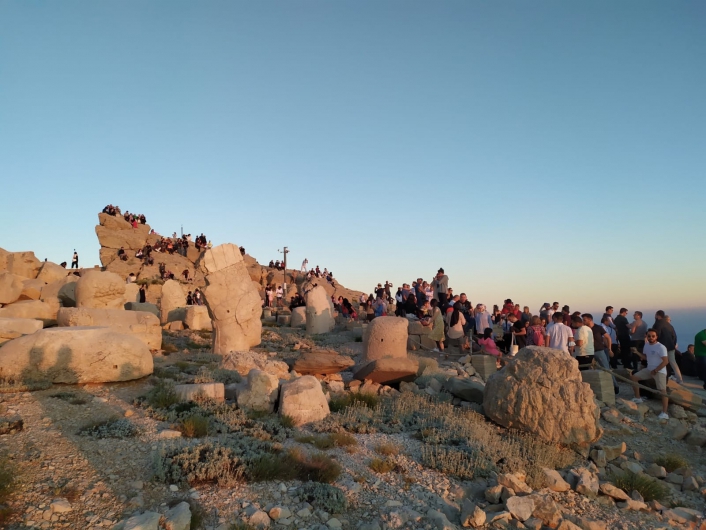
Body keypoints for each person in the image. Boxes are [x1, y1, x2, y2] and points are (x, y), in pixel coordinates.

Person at [630, 329, 670, 419]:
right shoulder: (647, 345)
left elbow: (666, 361)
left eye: (653, 336)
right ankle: (638, 397)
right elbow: (646, 357)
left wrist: (656, 370)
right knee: (634, 377)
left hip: (659, 371)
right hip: (649, 369)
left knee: (663, 391)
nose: (651, 338)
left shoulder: (661, 347)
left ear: (656, 337)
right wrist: (636, 352)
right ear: (646, 336)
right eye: (649, 336)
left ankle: (665, 412)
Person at [583, 314, 618, 393]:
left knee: (606, 368)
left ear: (590, 319)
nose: (583, 321)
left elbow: (608, 337)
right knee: (588, 369)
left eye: (584, 320)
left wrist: (609, 349)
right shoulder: (584, 329)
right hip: (588, 351)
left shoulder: (598, 328)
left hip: (599, 350)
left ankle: (615, 386)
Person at [652, 310, 681, 384]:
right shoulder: (669, 325)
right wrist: (673, 344)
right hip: (671, 346)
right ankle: (679, 379)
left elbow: (655, 335)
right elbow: (674, 335)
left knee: (661, 362)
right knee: (673, 363)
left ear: (658, 315)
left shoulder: (657, 324)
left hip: (662, 347)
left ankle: (660, 376)